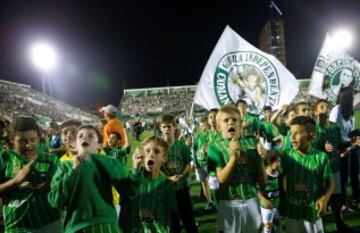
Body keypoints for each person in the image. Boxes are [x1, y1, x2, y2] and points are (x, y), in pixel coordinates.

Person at [48, 125, 128, 233]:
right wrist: (73, 170)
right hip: (77, 227)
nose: (85, 138)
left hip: (106, 225)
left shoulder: (108, 161)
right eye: (80, 136)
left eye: (90, 136)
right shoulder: (65, 166)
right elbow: (55, 201)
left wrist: (135, 170)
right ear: (75, 145)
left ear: (99, 146)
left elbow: (128, 189)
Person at [207, 104, 265, 233]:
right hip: (228, 203)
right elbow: (221, 179)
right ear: (218, 127)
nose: (230, 123)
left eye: (234, 120)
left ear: (240, 124)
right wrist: (233, 158)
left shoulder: (252, 144)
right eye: (226, 120)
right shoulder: (214, 147)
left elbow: (263, 181)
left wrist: (260, 160)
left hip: (251, 200)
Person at [0, 117, 61, 232]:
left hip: (50, 222)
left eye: (32, 140)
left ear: (39, 137)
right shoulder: (4, 158)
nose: (28, 145)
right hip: (17, 226)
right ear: (12, 139)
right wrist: (14, 182)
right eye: (22, 141)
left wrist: (51, 185)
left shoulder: (51, 160)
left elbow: (62, 190)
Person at [281, 116, 334, 233]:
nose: (292, 137)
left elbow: (330, 183)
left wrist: (324, 199)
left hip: (313, 213)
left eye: (297, 133)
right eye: (291, 133)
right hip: (292, 212)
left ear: (311, 135)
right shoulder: (286, 155)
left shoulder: (321, 157)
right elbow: (279, 177)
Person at [312, 99, 355, 232]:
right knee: (322, 199)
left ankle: (339, 223)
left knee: (336, 198)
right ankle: (321, 227)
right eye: (322, 107)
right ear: (316, 111)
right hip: (319, 170)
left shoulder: (335, 126)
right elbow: (309, 149)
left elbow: (339, 145)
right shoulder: (313, 128)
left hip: (334, 167)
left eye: (327, 107)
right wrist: (322, 146)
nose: (326, 109)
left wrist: (351, 142)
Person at [120, 136, 177, 233]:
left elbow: (170, 213)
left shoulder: (167, 184)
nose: (151, 155)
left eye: (156, 152)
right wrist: (135, 168)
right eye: (147, 151)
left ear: (164, 158)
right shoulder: (132, 175)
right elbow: (125, 198)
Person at [159, 114, 198, 233]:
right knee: (173, 223)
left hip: (182, 187)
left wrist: (182, 174)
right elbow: (156, 168)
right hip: (167, 190)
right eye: (164, 127)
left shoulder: (181, 145)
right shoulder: (158, 146)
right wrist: (168, 177)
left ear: (174, 127)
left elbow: (187, 163)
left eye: (169, 126)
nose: (166, 129)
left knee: (189, 220)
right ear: (160, 128)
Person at [329, 87, 359, 210]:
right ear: (346, 96)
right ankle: (341, 203)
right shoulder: (336, 110)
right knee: (343, 177)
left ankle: (353, 200)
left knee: (353, 173)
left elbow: (350, 131)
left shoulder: (351, 111)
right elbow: (331, 130)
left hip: (350, 146)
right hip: (340, 147)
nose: (354, 97)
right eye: (352, 95)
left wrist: (355, 139)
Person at [258, 150, 282, 233]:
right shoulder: (264, 175)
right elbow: (258, 190)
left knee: (278, 222)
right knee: (268, 225)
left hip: (276, 204)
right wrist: (263, 199)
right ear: (270, 163)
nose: (279, 164)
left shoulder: (278, 173)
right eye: (278, 161)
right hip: (267, 207)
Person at [192, 117, 213, 211]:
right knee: (204, 183)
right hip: (200, 163)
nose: (202, 127)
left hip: (211, 162)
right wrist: (195, 162)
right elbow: (194, 149)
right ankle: (210, 201)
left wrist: (207, 148)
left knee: (214, 182)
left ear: (207, 125)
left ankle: (217, 199)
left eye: (204, 125)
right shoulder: (197, 136)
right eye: (201, 125)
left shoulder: (211, 134)